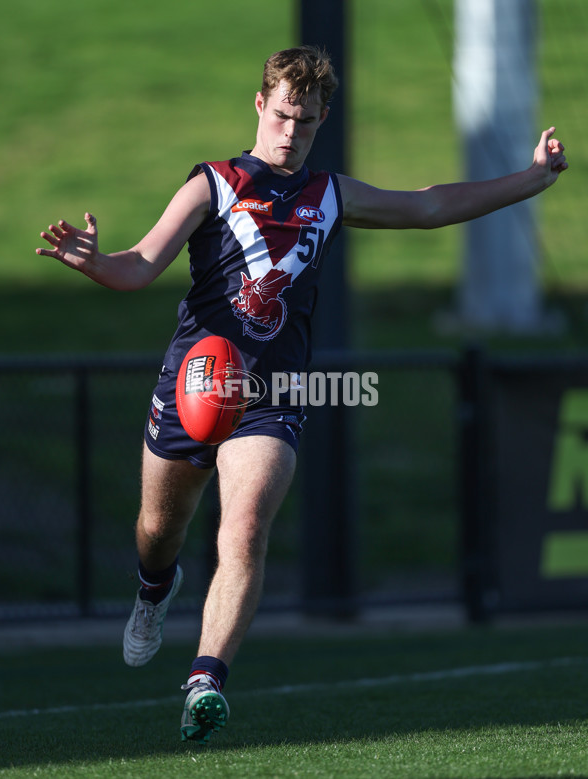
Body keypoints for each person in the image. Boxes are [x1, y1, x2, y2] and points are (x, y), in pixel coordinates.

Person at [36, 45, 568, 744]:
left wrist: (530, 179)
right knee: (159, 529)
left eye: (307, 121)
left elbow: (431, 203)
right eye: (283, 114)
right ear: (260, 105)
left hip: (274, 392)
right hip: (196, 381)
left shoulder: (329, 195)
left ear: (323, 119)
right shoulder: (212, 183)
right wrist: (95, 262)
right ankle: (154, 588)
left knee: (247, 523)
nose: (291, 131)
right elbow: (139, 265)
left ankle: (205, 679)